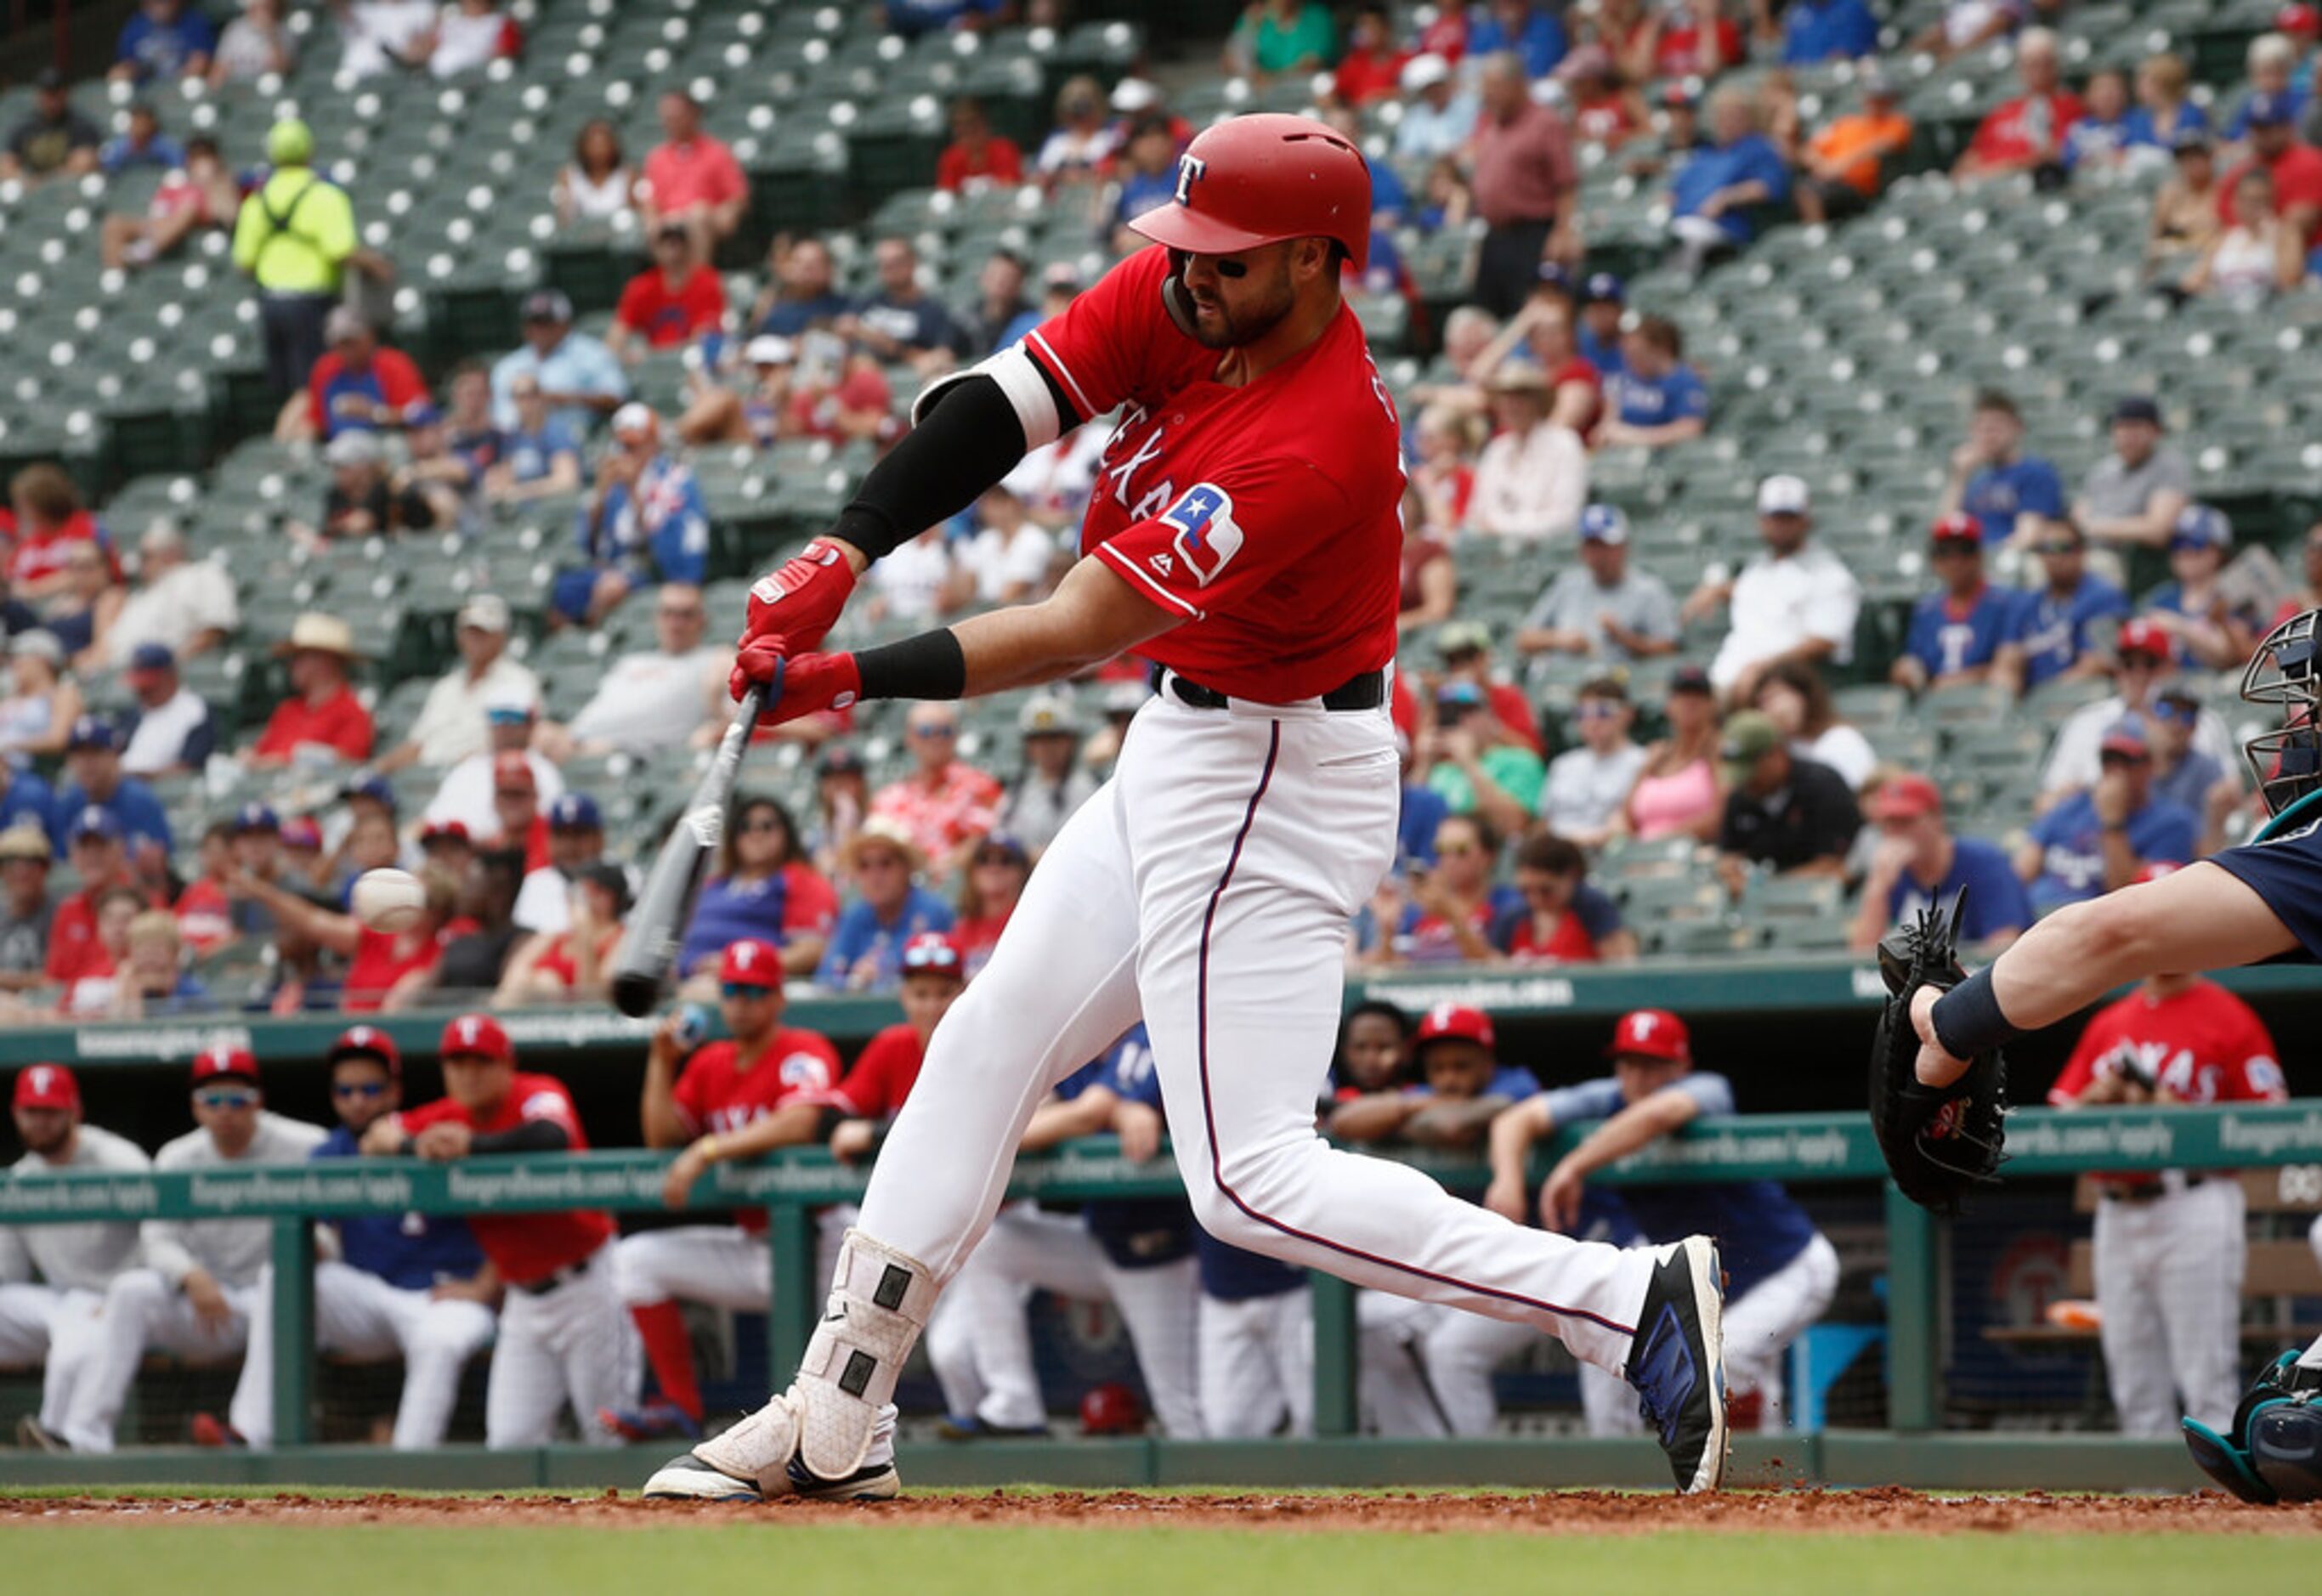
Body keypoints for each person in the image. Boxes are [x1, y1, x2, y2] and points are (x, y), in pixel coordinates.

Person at [643, 114, 1727, 1504]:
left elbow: (1075, 624)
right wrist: (843, 546)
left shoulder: (1317, 434)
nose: (1190, 275)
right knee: (981, 1041)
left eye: (1227, 256)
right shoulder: (1184, 298)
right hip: (1185, 737)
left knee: (1247, 1179)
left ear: (1318, 261)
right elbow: (1001, 398)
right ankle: (834, 1414)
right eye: (1189, 244)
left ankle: (1621, 1298)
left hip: (1274, 773)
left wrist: (848, 677)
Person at [1488, 1010, 1839, 1431]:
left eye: (1653, 1064)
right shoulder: (1607, 1097)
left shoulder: (1707, 1089)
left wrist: (1574, 1165)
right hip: (1720, 1277)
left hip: (1788, 1268)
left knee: (1723, 1363)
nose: (1638, 1076)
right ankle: (1622, 1483)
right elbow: (1514, 1120)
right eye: (1629, 1063)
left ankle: (1757, 1485)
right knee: (1609, 1346)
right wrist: (1507, 1179)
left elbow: (1660, 1115)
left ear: (1680, 1065)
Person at [601, 939, 847, 1440]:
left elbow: (802, 1121)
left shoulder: (802, 1050)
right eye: (732, 990)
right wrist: (661, 1062)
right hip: (757, 1246)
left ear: (778, 998)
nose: (741, 1001)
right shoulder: (712, 1062)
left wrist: (710, 1150)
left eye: (754, 991)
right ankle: (679, 1406)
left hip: (825, 1242)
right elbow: (662, 1137)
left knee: (850, 1363)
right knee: (636, 1260)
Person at [220, 1027, 499, 1450]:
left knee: (439, 1341)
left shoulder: (435, 1136)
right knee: (282, 1277)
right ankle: (249, 1433)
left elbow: (514, 1221)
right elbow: (320, 1237)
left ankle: (408, 1472)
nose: (357, 1100)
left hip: (445, 1297)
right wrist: (312, 1250)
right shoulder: (328, 1155)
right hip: (371, 1299)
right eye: (345, 1090)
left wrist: (484, 1286)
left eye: (370, 1088)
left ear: (393, 1091)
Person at [925, 1023, 1202, 1440]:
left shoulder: (1148, 1031)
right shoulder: (1077, 1042)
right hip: (1097, 1240)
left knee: (1179, 1407)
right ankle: (1014, 1401)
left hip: (1157, 1254)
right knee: (995, 1245)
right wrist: (1118, 1110)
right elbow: (1028, 1120)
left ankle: (1216, 1497)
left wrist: (1099, 1112)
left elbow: (1086, 1114)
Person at [361, 1016, 625, 1448]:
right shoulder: (446, 1115)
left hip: (587, 1284)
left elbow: (550, 1134)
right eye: (458, 1063)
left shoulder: (535, 1091)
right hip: (521, 1300)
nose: (469, 1074)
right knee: (508, 1443)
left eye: (481, 1062)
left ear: (507, 1064)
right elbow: (375, 1136)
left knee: (607, 1435)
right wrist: (415, 1146)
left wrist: (471, 1147)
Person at [2046, 967, 2286, 1438]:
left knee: (2206, 1379)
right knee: (2134, 1383)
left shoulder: (2229, 1015)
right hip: (2116, 1207)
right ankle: (2150, 1501)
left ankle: (2223, 1507)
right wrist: (2100, 1096)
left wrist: (2172, 1109)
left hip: (2193, 1201)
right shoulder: (2111, 1021)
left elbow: (2272, 1119)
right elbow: (2062, 1116)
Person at [57, 1049, 326, 1452]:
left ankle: (247, 1434)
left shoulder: (306, 1145)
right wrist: (189, 1275)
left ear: (258, 1100)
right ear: (195, 1106)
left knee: (280, 1280)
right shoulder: (177, 1157)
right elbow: (156, 1239)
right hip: (207, 1308)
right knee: (132, 1289)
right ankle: (84, 1436)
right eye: (212, 1100)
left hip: (275, 1308)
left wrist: (312, 1249)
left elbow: (334, 1233)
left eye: (236, 1098)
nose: (225, 1111)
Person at [0, 1065, 149, 1454]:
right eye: (32, 1112)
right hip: (56, 1300)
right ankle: (56, 1439)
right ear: (16, 1114)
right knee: (68, 1319)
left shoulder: (118, 1160)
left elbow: (158, 1232)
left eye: (51, 1112)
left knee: (73, 1340)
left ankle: (61, 1439)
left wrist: (124, 1293)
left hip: (115, 1296)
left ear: (74, 1111)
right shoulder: (19, 1179)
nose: (40, 1122)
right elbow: (8, 1274)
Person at [1691, 474, 1862, 701]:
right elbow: (1763, 594)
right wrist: (1718, 590)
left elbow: (1825, 641)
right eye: (1775, 517)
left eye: (1789, 517)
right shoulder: (1758, 568)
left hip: (1785, 687)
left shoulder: (1830, 575)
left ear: (1806, 520)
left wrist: (1765, 668)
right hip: (1729, 678)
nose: (1781, 526)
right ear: (1761, 521)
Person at [233, 119, 365, 399]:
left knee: (287, 389)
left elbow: (244, 262)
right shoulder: (325, 195)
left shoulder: (257, 200)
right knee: (312, 387)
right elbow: (341, 251)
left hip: (270, 303)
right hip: (311, 303)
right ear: (309, 152)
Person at [2042, 619, 2238, 801]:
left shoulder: (2199, 720)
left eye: (2150, 663)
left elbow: (2229, 795)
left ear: (2171, 667)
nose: (2139, 674)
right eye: (2129, 664)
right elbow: (2048, 801)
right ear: (2118, 669)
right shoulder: (2087, 722)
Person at [2021, 720, 2199, 913]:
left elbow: (2133, 900)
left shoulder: (2172, 823)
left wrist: (2112, 823)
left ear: (2150, 766)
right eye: (2108, 760)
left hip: (2099, 922)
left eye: (2126, 762)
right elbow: (2021, 874)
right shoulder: (2072, 807)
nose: (2115, 770)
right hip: (2039, 915)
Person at [558, 405, 708, 628]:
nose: (626, 453)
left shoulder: (675, 481)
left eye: (633, 446)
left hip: (656, 572)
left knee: (610, 588)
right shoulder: (611, 484)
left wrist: (633, 491)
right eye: (621, 446)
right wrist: (600, 495)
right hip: (618, 566)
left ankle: (593, 641)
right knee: (558, 591)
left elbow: (672, 554)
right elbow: (588, 546)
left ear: (653, 444)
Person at [1848, 774, 2032, 954]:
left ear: (1936, 818)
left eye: (1906, 821)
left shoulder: (1984, 863)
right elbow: (1860, 960)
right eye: (1889, 823)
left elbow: (2002, 947)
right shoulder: (1892, 873)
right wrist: (1877, 887)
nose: (1896, 832)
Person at [546, 582, 730, 760]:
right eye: (668, 613)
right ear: (657, 618)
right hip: (578, 740)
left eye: (686, 614)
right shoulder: (630, 662)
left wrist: (714, 717)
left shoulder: (716, 658)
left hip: (635, 754)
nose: (676, 623)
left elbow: (732, 717)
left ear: (703, 620)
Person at [675, 795, 839, 984]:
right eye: (744, 827)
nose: (756, 834)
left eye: (767, 826)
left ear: (787, 834)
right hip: (683, 982)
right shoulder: (712, 885)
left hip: (750, 990)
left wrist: (737, 966)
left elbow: (812, 950)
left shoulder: (802, 881)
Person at [1467, 54, 1582, 317]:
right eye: (1485, 88)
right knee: (1487, 315)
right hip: (1495, 236)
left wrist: (1562, 232)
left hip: (1532, 235)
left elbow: (1565, 182)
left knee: (1526, 313)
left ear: (1517, 84)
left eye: (1494, 87)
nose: (1488, 95)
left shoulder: (1545, 123)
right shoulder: (1492, 126)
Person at [376, 595, 537, 773]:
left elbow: (518, 742)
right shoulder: (445, 687)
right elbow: (417, 744)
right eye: (470, 632)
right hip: (428, 776)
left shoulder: (519, 681)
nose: (475, 639)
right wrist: (378, 768)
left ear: (501, 637)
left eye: (483, 632)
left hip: (480, 776)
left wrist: (467, 766)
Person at [1717, 710, 1860, 886]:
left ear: (1776, 754)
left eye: (1752, 771)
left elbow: (1834, 866)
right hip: (1759, 900)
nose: (1747, 782)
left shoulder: (1822, 785)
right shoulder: (1741, 796)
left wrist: (1767, 888)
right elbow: (1729, 857)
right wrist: (1733, 877)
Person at [816, 818, 957, 993]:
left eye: (886, 864)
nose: (875, 876)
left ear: (907, 868)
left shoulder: (933, 912)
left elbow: (933, 984)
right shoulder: (854, 915)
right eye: (864, 866)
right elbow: (825, 976)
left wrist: (882, 974)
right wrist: (853, 978)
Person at [1996, 520, 2132, 696]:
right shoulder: (2025, 604)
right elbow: (2007, 663)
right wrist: (2008, 697)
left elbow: (2097, 664)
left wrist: (2043, 699)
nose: (2054, 556)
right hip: (2033, 707)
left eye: (2062, 548)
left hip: (2085, 701)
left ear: (2081, 551)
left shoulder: (2104, 597)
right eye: (2045, 549)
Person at [1667, 88, 1792, 275]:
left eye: (1734, 116)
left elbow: (1768, 187)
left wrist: (1726, 198)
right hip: (1681, 225)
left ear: (1749, 119)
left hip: (1722, 230)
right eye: (1722, 116)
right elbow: (1675, 191)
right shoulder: (1706, 153)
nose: (1726, 122)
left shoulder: (1758, 148)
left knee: (1689, 248)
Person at [869, 702, 1001, 879]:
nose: (936, 739)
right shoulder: (889, 797)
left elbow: (983, 840)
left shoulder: (979, 786)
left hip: (959, 889)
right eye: (926, 731)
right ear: (909, 738)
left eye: (945, 731)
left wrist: (939, 869)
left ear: (956, 736)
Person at [92, 519, 238, 671]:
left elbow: (214, 628)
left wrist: (171, 664)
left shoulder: (202, 574)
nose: (140, 564)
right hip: (123, 674)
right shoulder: (141, 595)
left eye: (145, 556)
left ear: (171, 554)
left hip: (169, 673)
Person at [1894, 517, 2018, 693]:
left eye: (1965, 550)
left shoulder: (2006, 603)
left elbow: (2011, 669)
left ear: (1979, 555)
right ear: (1933, 559)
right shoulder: (1925, 610)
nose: (1955, 561)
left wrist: (1957, 681)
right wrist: (1909, 670)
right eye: (1944, 552)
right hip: (1935, 707)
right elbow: (1915, 660)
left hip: (1986, 703)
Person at [1464, 366, 1586, 540]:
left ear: (1537, 402)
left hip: (1547, 552)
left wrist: (1501, 527)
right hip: (1494, 555)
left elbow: (1565, 518)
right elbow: (1476, 514)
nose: (1511, 405)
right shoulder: (1496, 449)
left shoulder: (1565, 444)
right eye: (1505, 398)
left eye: (1521, 397)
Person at [1955, 28, 2084, 184]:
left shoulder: (2072, 107)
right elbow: (1970, 159)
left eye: (2044, 63)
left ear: (2055, 65)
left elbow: (2055, 155)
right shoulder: (2002, 111)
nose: (2038, 71)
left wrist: (2008, 167)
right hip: (1991, 187)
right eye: (2030, 64)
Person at [490, 290, 627, 436]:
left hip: (577, 436)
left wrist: (566, 399)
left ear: (564, 324)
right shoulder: (508, 366)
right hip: (518, 441)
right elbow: (498, 414)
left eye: (546, 323)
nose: (539, 330)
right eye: (533, 323)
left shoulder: (591, 353)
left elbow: (616, 398)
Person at [1940, 390, 2064, 549]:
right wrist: (1959, 477)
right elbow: (1947, 530)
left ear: (2018, 428)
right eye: (1981, 427)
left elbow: (2028, 537)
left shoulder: (2036, 473)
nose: (1988, 435)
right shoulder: (1978, 481)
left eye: (1996, 426)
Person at [246, 613, 373, 767]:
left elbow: (346, 766)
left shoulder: (353, 713)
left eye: (300, 656)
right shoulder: (287, 710)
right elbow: (260, 754)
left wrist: (283, 763)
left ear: (326, 660)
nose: (292, 665)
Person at [2145, 504, 2263, 671]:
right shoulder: (2162, 598)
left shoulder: (2236, 595)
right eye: (2178, 543)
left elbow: (2229, 656)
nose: (2185, 551)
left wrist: (2178, 627)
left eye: (2195, 544)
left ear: (2218, 551)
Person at [99, 132, 239, 271]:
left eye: (204, 155)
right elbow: (158, 209)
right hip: (163, 224)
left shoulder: (224, 182)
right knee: (114, 224)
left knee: (189, 208)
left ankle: (143, 252)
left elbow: (229, 217)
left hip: (194, 226)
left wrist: (210, 183)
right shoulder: (177, 180)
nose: (198, 161)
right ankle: (116, 276)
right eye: (194, 156)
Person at [1540, 676, 1650, 848]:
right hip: (1556, 857)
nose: (1592, 721)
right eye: (1582, 713)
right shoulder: (1563, 765)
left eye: (1603, 712)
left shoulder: (1643, 762)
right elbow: (1544, 823)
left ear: (1628, 714)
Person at [1492, 831, 1635, 962]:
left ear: (1571, 876)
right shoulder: (1514, 914)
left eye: (1546, 891)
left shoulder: (1592, 907)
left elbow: (1621, 963)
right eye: (1525, 890)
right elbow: (1493, 964)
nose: (1535, 899)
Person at [1621, 666, 1725, 843]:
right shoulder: (1656, 754)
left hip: (1693, 853)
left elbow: (1722, 815)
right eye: (1682, 695)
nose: (1690, 702)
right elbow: (1629, 815)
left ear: (1712, 704)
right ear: (1669, 705)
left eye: (1699, 695)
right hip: (1643, 855)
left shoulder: (1720, 751)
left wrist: (1664, 839)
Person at [2075, 395, 2194, 552]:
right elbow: (2079, 515)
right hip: (2091, 555)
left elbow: (2158, 531)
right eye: (2121, 427)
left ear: (2156, 432)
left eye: (2135, 427)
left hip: (2138, 560)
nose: (2127, 435)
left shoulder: (2169, 466)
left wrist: (2096, 527)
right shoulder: (2103, 470)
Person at [837, 236, 966, 380]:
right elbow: (842, 332)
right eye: (883, 263)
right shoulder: (866, 302)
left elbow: (941, 358)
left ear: (913, 263)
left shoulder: (933, 311)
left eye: (896, 262)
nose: (889, 268)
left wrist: (894, 348)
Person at [1795, 69, 1912, 225]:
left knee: (1810, 191)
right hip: (1829, 180)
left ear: (1891, 100)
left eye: (1881, 98)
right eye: (1872, 97)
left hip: (1859, 188)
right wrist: (1824, 166)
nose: (1875, 102)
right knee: (1801, 187)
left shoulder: (1896, 123)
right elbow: (1809, 149)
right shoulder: (1846, 123)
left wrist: (1840, 166)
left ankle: (1817, 234)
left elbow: (1882, 146)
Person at [638, 89, 746, 258]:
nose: (672, 122)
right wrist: (653, 220)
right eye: (668, 118)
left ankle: (698, 280)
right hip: (670, 220)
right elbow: (649, 201)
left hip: (706, 219)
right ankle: (669, 281)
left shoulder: (717, 152)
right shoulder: (656, 158)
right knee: (656, 225)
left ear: (693, 115)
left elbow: (737, 197)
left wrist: (724, 214)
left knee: (698, 213)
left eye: (678, 116)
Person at [2185, 165, 2308, 308]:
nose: (2251, 207)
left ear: (2271, 201)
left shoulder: (2286, 234)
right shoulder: (2224, 238)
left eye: (2259, 200)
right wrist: (2212, 293)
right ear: (2235, 202)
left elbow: (2289, 284)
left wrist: (2271, 237)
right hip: (2226, 311)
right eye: (2245, 199)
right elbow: (2191, 283)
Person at [52, 718, 171, 862]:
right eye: (79, 755)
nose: (87, 763)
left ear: (114, 756)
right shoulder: (67, 804)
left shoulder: (141, 801)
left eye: (95, 753)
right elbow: (61, 861)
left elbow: (159, 862)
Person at [994, 694, 1097, 854]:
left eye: (1053, 738)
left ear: (1070, 741)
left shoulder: (1085, 789)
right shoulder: (1017, 791)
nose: (1044, 747)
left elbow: (1082, 847)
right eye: (1036, 739)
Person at [609, 225, 728, 361]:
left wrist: (651, 354)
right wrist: (624, 356)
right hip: (652, 364)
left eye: (677, 241)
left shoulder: (707, 282)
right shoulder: (640, 287)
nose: (672, 249)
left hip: (691, 362)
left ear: (688, 247)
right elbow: (617, 335)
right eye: (665, 242)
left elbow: (703, 337)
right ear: (655, 248)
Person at [1597, 315, 1710, 449]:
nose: (1631, 361)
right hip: (1620, 455)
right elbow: (1608, 422)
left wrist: (1635, 437)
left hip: (1662, 457)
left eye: (1638, 354)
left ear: (1660, 350)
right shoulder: (1625, 379)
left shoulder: (1685, 381)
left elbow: (1691, 429)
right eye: (1628, 355)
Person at [1, 69, 101, 185]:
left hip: (68, 192)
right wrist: (25, 180)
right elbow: (6, 165)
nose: (52, 101)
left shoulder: (81, 126)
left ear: (65, 94)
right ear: (39, 96)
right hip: (29, 193)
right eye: (47, 94)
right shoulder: (24, 126)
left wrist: (41, 182)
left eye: (56, 94)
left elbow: (84, 164)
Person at [0, 633, 82, 767]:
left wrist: (9, 745)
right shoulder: (9, 697)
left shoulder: (63, 693)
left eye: (19, 655)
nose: (13, 662)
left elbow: (59, 740)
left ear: (43, 659)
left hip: (32, 772)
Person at [1394, 54, 1479, 165]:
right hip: (1426, 173)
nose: (1434, 92)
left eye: (1437, 85)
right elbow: (1406, 153)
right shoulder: (1415, 116)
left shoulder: (1468, 106)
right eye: (1428, 89)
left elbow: (1474, 144)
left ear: (1446, 83)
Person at [1224, 0, 1339, 81]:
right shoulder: (1254, 17)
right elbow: (1230, 63)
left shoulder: (1317, 17)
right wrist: (1250, 26)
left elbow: (1311, 65)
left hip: (1303, 94)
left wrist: (1272, 78)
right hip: (1261, 97)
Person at [0, 824, 55, 989]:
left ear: (46, 868)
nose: (21, 871)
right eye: (11, 862)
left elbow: (58, 977)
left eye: (31, 862)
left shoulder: (61, 915)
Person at [555, 119, 636, 229]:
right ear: (583, 146)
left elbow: (633, 216)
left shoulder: (628, 175)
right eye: (593, 144)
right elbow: (564, 218)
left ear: (613, 146)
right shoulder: (567, 176)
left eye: (603, 144)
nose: (598, 150)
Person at [935, 96, 1023, 194]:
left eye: (971, 123)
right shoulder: (950, 158)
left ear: (984, 123)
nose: (966, 130)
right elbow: (947, 194)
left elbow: (1010, 187)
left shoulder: (1004, 150)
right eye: (958, 125)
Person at [210, 0, 293, 86]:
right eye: (258, 6)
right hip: (237, 88)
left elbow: (280, 70)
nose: (262, 11)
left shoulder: (284, 31)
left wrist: (270, 33)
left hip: (266, 88)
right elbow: (220, 68)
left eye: (265, 6)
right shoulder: (235, 29)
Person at [98, 100, 184, 173]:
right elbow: (108, 169)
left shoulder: (167, 146)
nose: (139, 128)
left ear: (152, 123)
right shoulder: (119, 146)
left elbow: (178, 170)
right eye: (136, 122)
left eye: (142, 123)